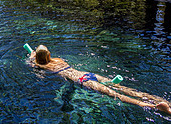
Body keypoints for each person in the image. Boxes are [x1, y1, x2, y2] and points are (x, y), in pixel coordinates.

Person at [29, 45, 171, 115]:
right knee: (124, 89)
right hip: (88, 74)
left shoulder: (42, 65)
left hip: (82, 81)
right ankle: (156, 99)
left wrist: (32, 58)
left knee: (117, 96)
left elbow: (39, 74)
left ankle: (154, 107)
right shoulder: (57, 60)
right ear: (49, 54)